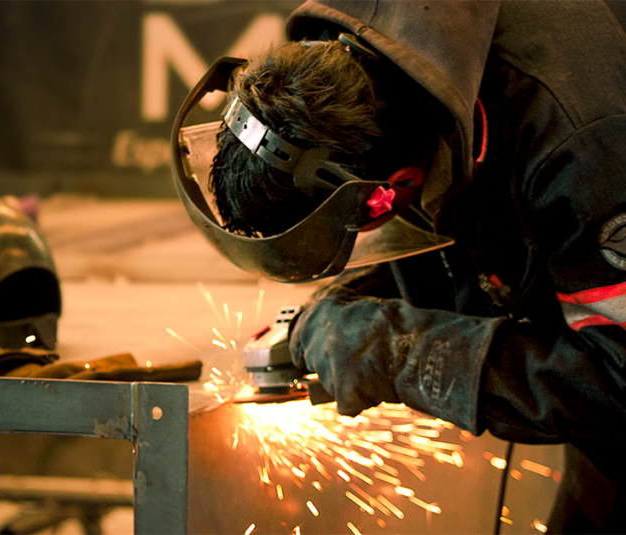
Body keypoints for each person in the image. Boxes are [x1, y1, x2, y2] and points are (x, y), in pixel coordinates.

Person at [176, 1, 626, 531]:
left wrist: (398, 353)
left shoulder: (580, 149)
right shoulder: (384, 53)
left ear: (387, 195)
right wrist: (356, 301)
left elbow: (617, 380)